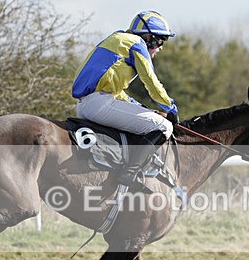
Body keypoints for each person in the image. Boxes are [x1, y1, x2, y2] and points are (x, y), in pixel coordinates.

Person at [71, 10, 179, 193]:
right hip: (99, 104)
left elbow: (117, 92)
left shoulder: (119, 39)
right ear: (149, 38)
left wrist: (142, 108)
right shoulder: (137, 44)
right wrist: (171, 107)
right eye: (160, 41)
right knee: (164, 127)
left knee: (150, 120)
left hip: (87, 104)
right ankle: (129, 174)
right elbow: (151, 82)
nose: (160, 48)